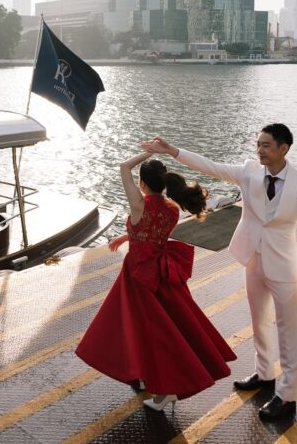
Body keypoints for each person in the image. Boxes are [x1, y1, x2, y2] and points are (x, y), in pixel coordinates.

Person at [142, 123, 297, 421]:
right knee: (259, 321)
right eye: (258, 144)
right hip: (252, 258)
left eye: (266, 145)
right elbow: (211, 166)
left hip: (283, 265)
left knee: (288, 331)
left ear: (283, 148)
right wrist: (172, 151)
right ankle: (264, 374)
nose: (260, 150)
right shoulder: (249, 171)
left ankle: (287, 395)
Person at [75, 152, 236, 410]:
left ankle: (165, 391)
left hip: (138, 274)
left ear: (142, 184)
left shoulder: (139, 205)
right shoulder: (171, 209)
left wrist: (148, 152)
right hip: (159, 270)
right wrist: (126, 237)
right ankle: (141, 377)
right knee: (157, 325)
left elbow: (123, 166)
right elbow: (153, 235)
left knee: (152, 329)